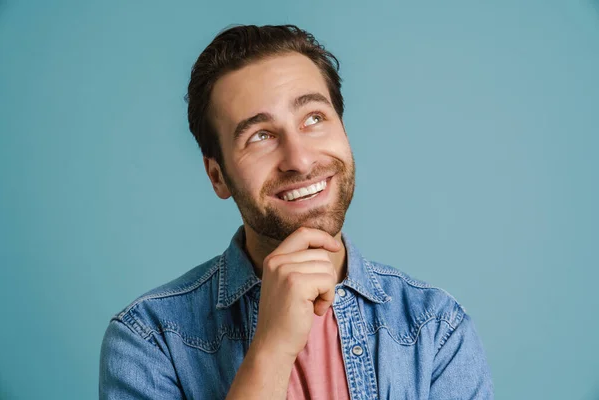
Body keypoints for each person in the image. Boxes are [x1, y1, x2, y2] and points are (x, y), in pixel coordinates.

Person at [99, 24, 494, 399]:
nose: (300, 160)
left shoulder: (435, 327)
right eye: (261, 136)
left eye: (314, 118)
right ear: (217, 177)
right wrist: (271, 349)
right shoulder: (150, 338)